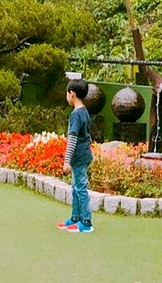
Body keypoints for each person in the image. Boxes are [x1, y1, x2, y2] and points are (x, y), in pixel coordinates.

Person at [59, 79, 93, 233]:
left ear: (72, 94)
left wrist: (67, 161)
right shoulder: (84, 111)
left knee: (80, 188)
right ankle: (76, 217)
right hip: (82, 155)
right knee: (75, 187)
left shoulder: (76, 115)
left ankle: (86, 222)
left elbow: (72, 138)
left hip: (79, 157)